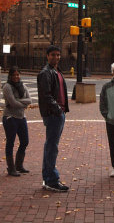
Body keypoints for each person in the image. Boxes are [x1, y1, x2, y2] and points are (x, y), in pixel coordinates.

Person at [37, 45, 69, 192]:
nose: (56, 57)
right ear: (47, 56)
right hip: (53, 114)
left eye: (58, 55)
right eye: (53, 55)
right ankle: (51, 180)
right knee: (52, 147)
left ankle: (48, 178)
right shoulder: (46, 73)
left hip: (59, 113)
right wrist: (57, 110)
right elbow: (46, 95)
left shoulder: (56, 71)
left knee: (50, 145)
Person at [2, 66, 31, 176]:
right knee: (10, 143)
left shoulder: (23, 85)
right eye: (14, 75)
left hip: (21, 117)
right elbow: (12, 103)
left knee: (25, 141)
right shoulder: (7, 87)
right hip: (10, 118)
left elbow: (30, 100)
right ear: (10, 76)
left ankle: (19, 165)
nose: (16, 77)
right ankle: (11, 168)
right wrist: (23, 104)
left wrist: (19, 102)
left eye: (17, 74)